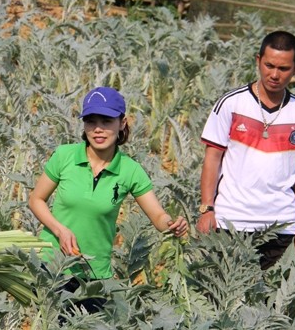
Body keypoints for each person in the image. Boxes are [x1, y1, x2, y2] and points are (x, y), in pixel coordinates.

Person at [28, 87, 187, 310]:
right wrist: (59, 229)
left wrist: (172, 225)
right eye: (91, 121)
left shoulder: (130, 171)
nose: (98, 129)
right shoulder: (64, 156)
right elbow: (36, 199)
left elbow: (158, 215)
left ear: (122, 123)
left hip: (94, 275)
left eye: (107, 121)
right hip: (52, 267)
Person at [197, 31, 295, 270]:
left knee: (272, 304)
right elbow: (212, 157)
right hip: (230, 221)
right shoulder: (231, 104)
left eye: (283, 68)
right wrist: (207, 208)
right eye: (269, 65)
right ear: (258, 60)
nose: (274, 75)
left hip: (280, 226)